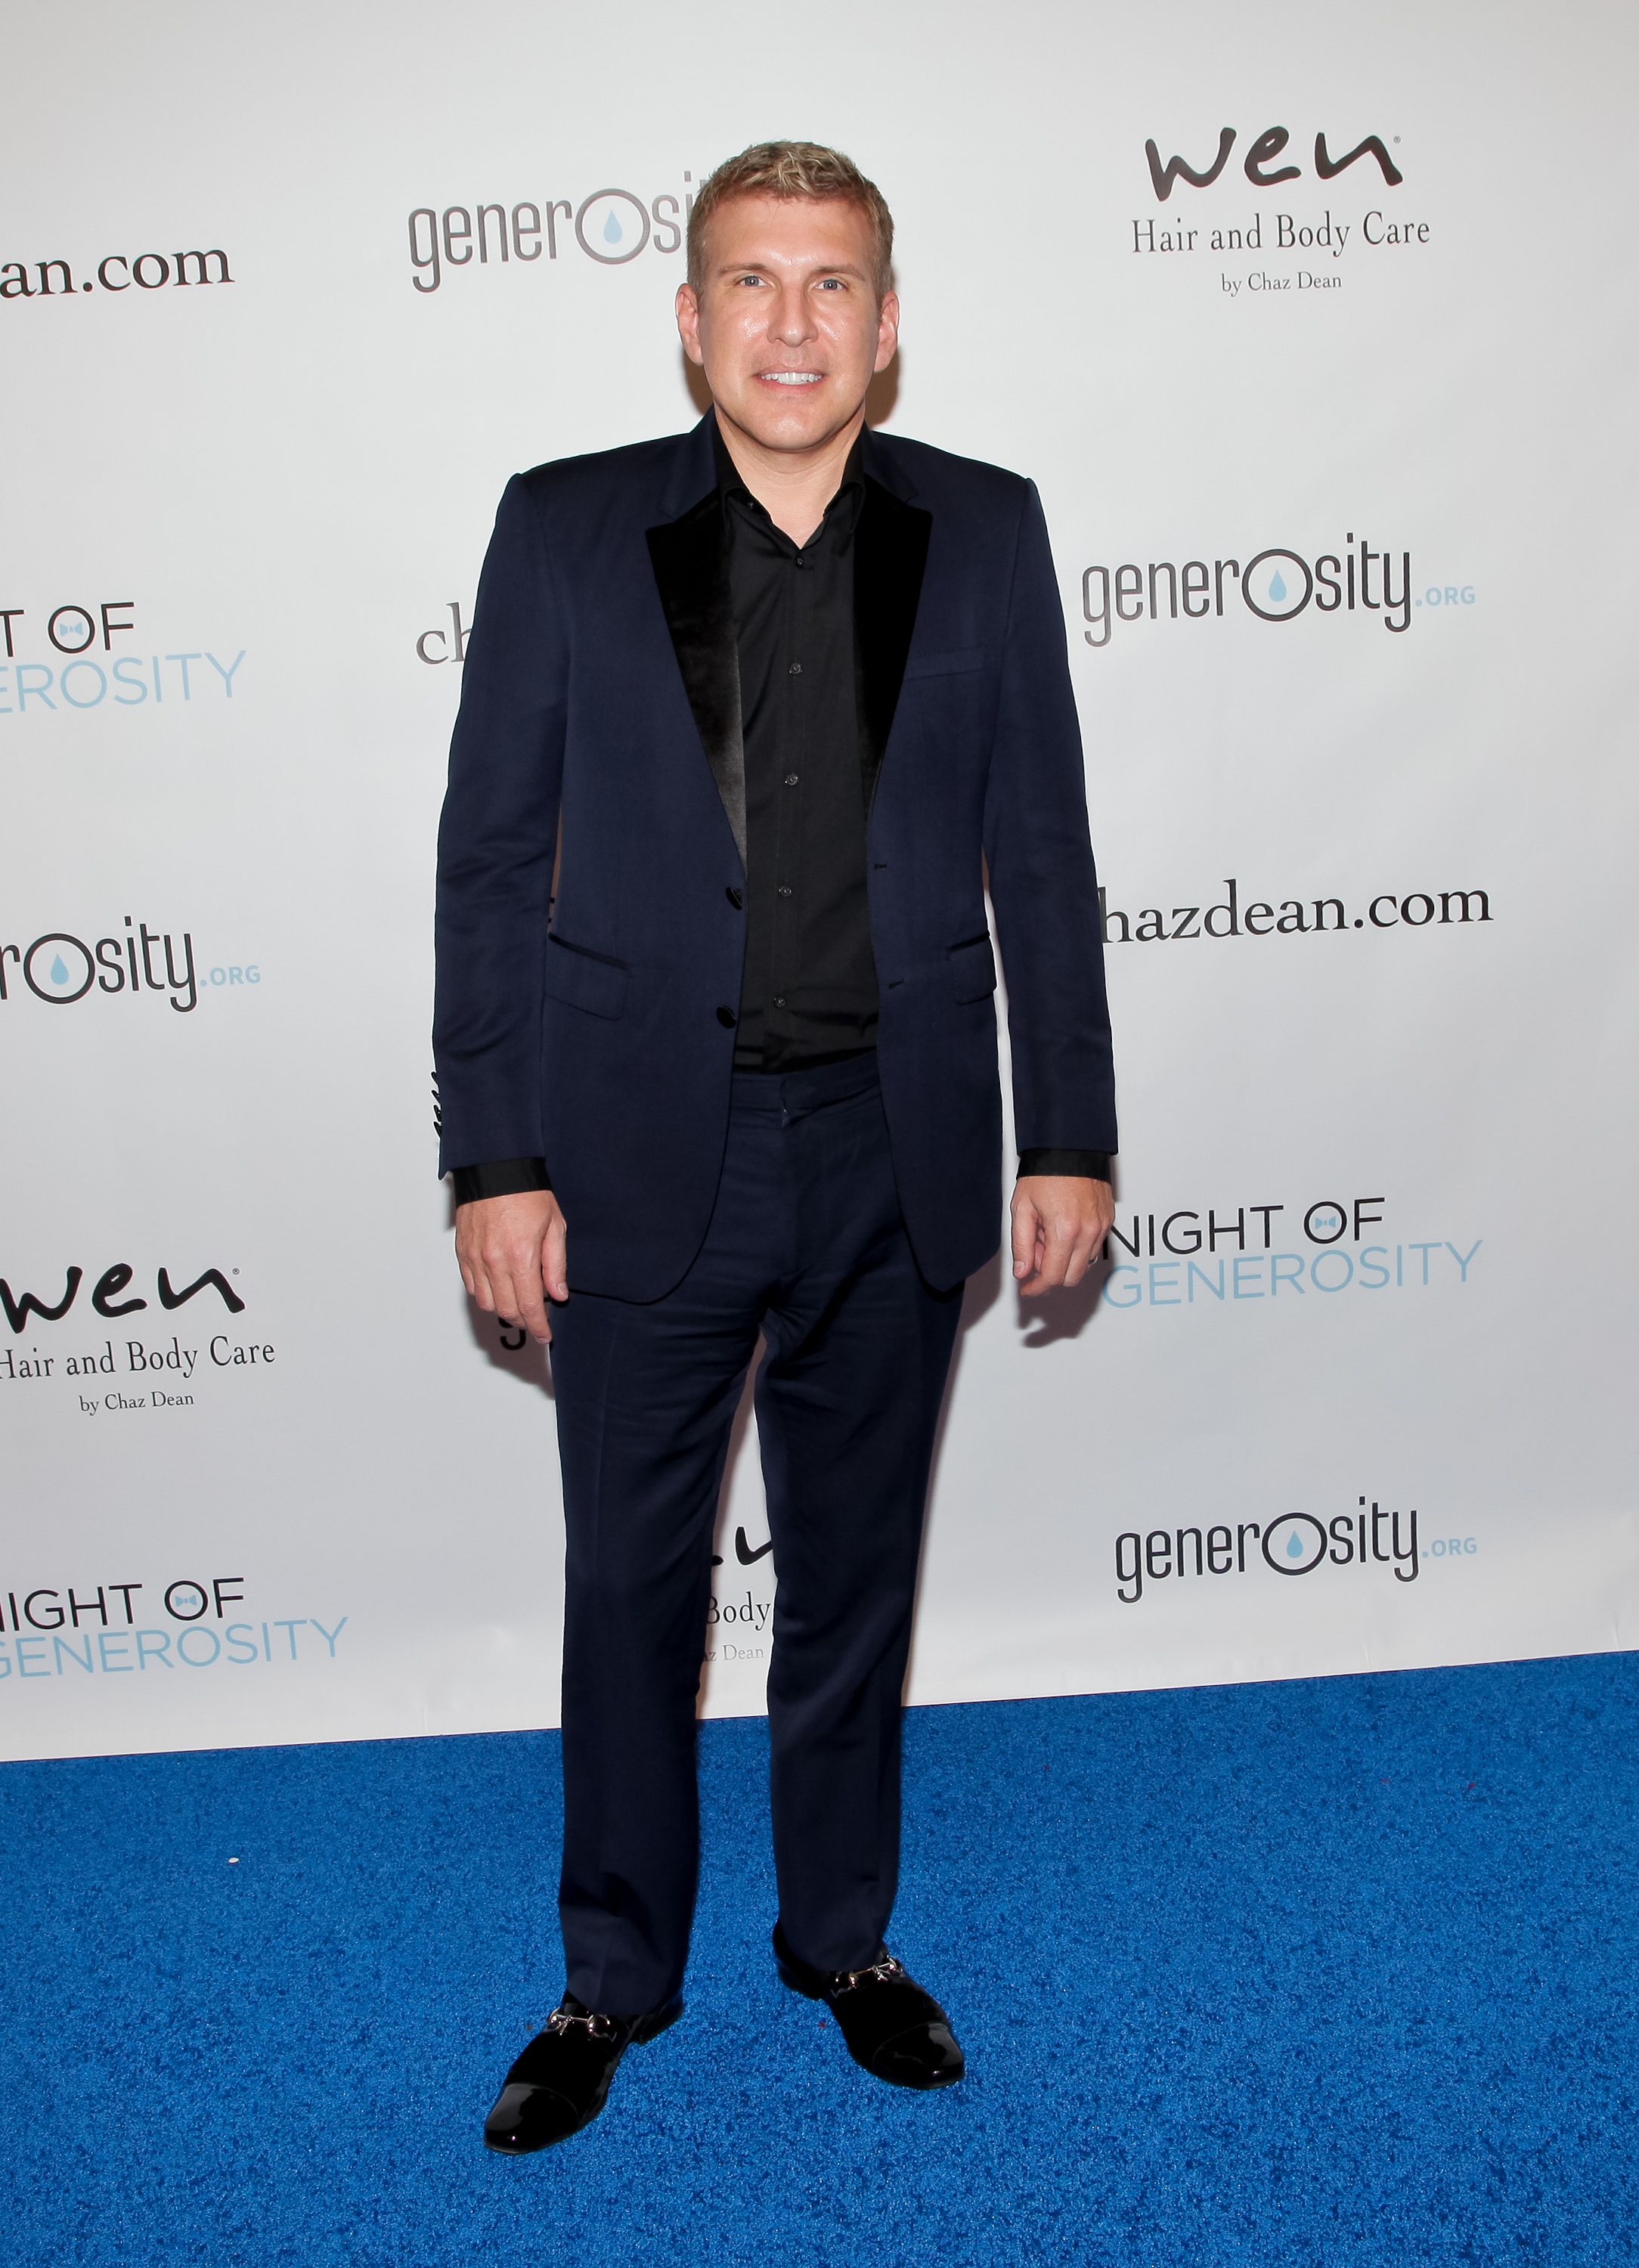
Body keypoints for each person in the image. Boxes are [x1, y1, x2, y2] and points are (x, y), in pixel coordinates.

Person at [433, 140, 1117, 2154]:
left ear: (886, 327)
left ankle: (843, 1941)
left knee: (852, 1581)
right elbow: (489, 863)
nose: (792, 321)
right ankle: (611, 1974)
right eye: (752, 281)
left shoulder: (984, 532)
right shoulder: (564, 531)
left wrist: (1065, 1130)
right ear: (689, 319)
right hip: (642, 1146)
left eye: (831, 284)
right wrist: (493, 1159)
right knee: (631, 1584)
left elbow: (1048, 858)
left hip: (892, 1145)